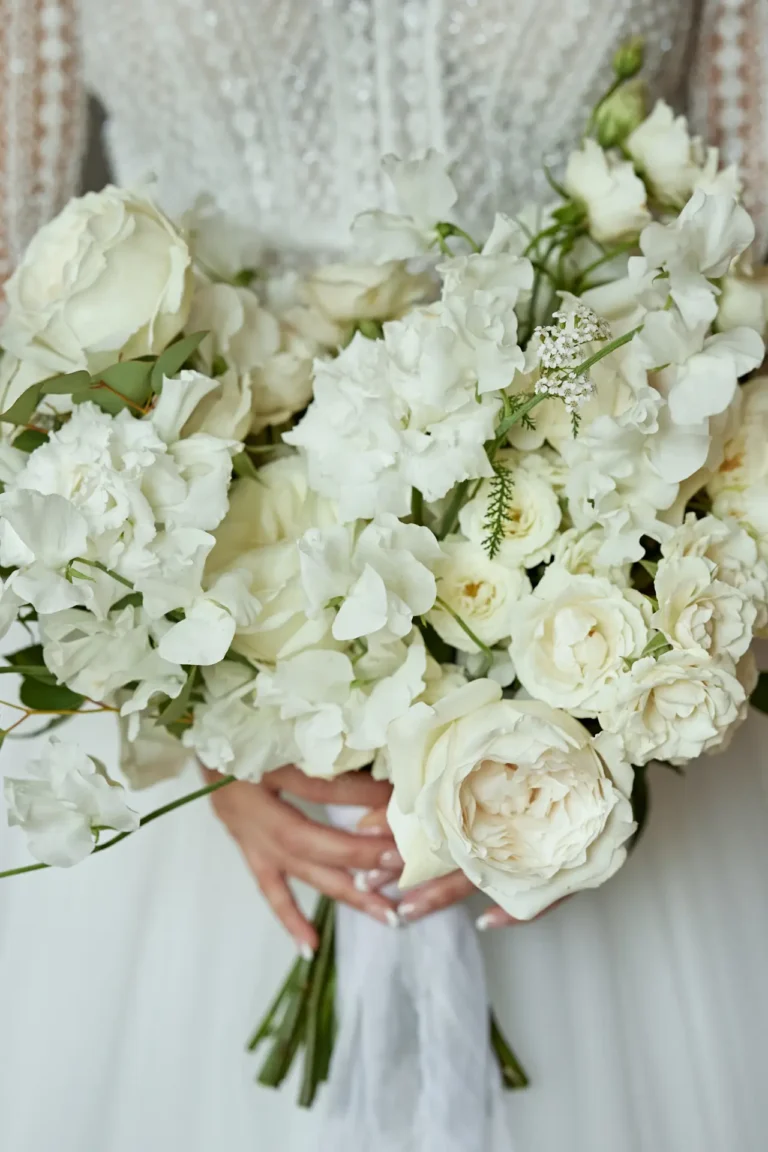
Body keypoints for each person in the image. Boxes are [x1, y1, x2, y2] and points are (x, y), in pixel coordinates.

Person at [1, 2, 768, 1150]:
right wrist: (187, 705)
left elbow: (744, 247)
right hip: (179, 624)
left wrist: (613, 685)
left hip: (601, 564)